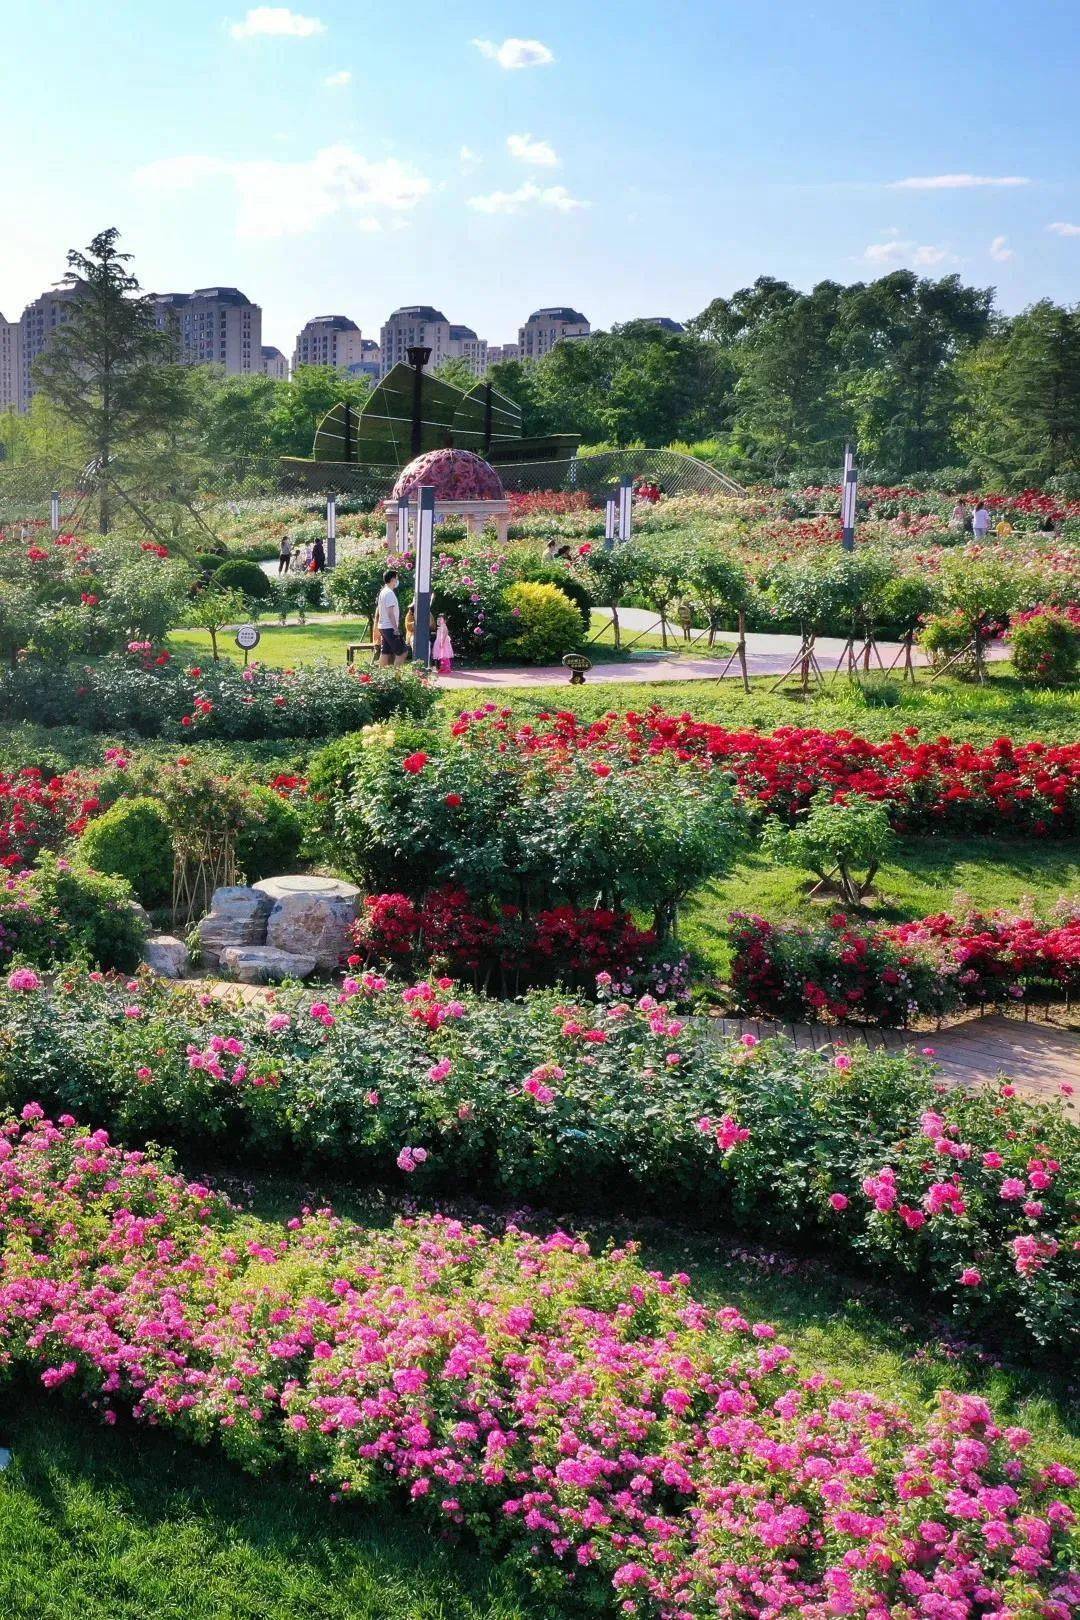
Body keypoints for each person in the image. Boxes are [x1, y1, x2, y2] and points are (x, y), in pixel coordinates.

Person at [377, 568, 406, 667]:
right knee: (402, 653)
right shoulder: (389, 593)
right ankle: (396, 678)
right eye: (396, 578)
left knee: (385, 652)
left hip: (383, 626)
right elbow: (390, 613)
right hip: (389, 627)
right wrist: (396, 629)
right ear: (393, 579)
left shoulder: (383, 591)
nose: (397, 581)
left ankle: (379, 676)